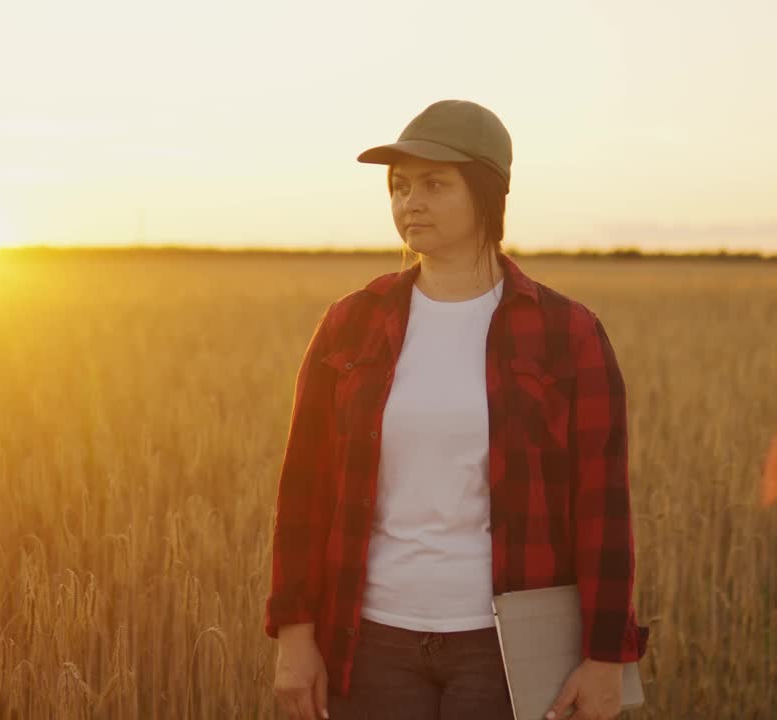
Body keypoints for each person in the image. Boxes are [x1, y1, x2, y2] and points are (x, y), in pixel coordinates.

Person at [265, 99, 648, 720]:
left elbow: (602, 504)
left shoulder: (565, 333)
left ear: (488, 195)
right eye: (400, 186)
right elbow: (302, 490)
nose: (409, 202)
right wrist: (294, 633)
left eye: (435, 184)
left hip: (507, 650)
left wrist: (607, 656)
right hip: (369, 639)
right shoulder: (351, 324)